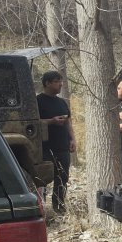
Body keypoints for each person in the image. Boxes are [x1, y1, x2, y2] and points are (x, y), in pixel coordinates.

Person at [37, 70, 76, 214]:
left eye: (61, 82)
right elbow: (33, 122)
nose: (60, 85)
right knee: (42, 178)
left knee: (62, 178)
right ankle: (42, 207)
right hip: (45, 147)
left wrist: (72, 139)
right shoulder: (37, 101)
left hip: (62, 146)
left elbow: (68, 122)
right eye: (56, 82)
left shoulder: (61, 102)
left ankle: (58, 206)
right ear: (47, 83)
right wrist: (51, 121)